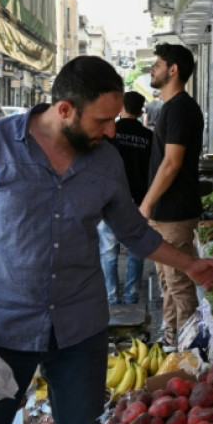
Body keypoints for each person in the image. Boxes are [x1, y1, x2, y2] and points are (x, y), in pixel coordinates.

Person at [0, 55, 213, 424]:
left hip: (79, 329)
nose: (112, 131)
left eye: (114, 120)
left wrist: (189, 264)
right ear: (65, 110)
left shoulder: (106, 160)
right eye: (102, 121)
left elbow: (133, 231)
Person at [139, 43, 204, 346]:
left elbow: (172, 163)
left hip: (175, 213)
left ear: (173, 69)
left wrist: (147, 203)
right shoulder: (170, 107)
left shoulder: (180, 108)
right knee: (167, 284)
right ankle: (171, 343)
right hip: (163, 214)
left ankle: (191, 352)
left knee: (179, 285)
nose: (153, 68)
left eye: (158, 63)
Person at [98, 91, 153, 305]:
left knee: (108, 252)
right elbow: (153, 171)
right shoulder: (148, 138)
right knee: (135, 251)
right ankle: (132, 296)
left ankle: (111, 297)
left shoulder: (110, 133)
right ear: (140, 112)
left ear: (121, 108)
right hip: (138, 202)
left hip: (109, 202)